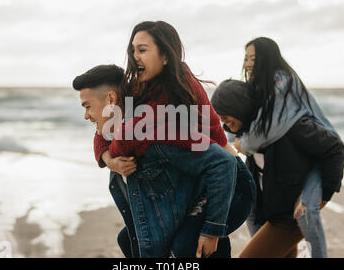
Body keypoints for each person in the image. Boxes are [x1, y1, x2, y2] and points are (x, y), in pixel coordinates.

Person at [73, 64, 256, 258]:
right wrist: (110, 161)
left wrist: (212, 230)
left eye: (87, 106)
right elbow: (100, 136)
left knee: (186, 246)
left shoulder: (155, 127)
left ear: (111, 99)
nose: (86, 115)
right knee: (130, 239)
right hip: (202, 186)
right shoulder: (120, 128)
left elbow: (222, 162)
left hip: (229, 182)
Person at [235, 37, 344, 257]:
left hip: (289, 210)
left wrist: (323, 195)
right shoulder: (263, 108)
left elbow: (334, 148)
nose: (247, 64)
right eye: (246, 58)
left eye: (253, 58)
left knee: (306, 211)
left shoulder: (292, 120)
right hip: (274, 208)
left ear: (266, 60)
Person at [211, 79, 344, 257]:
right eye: (220, 118)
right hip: (271, 212)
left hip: (290, 217)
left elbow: (334, 148)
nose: (224, 123)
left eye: (225, 116)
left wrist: (323, 196)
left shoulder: (285, 127)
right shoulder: (248, 136)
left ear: (238, 107)